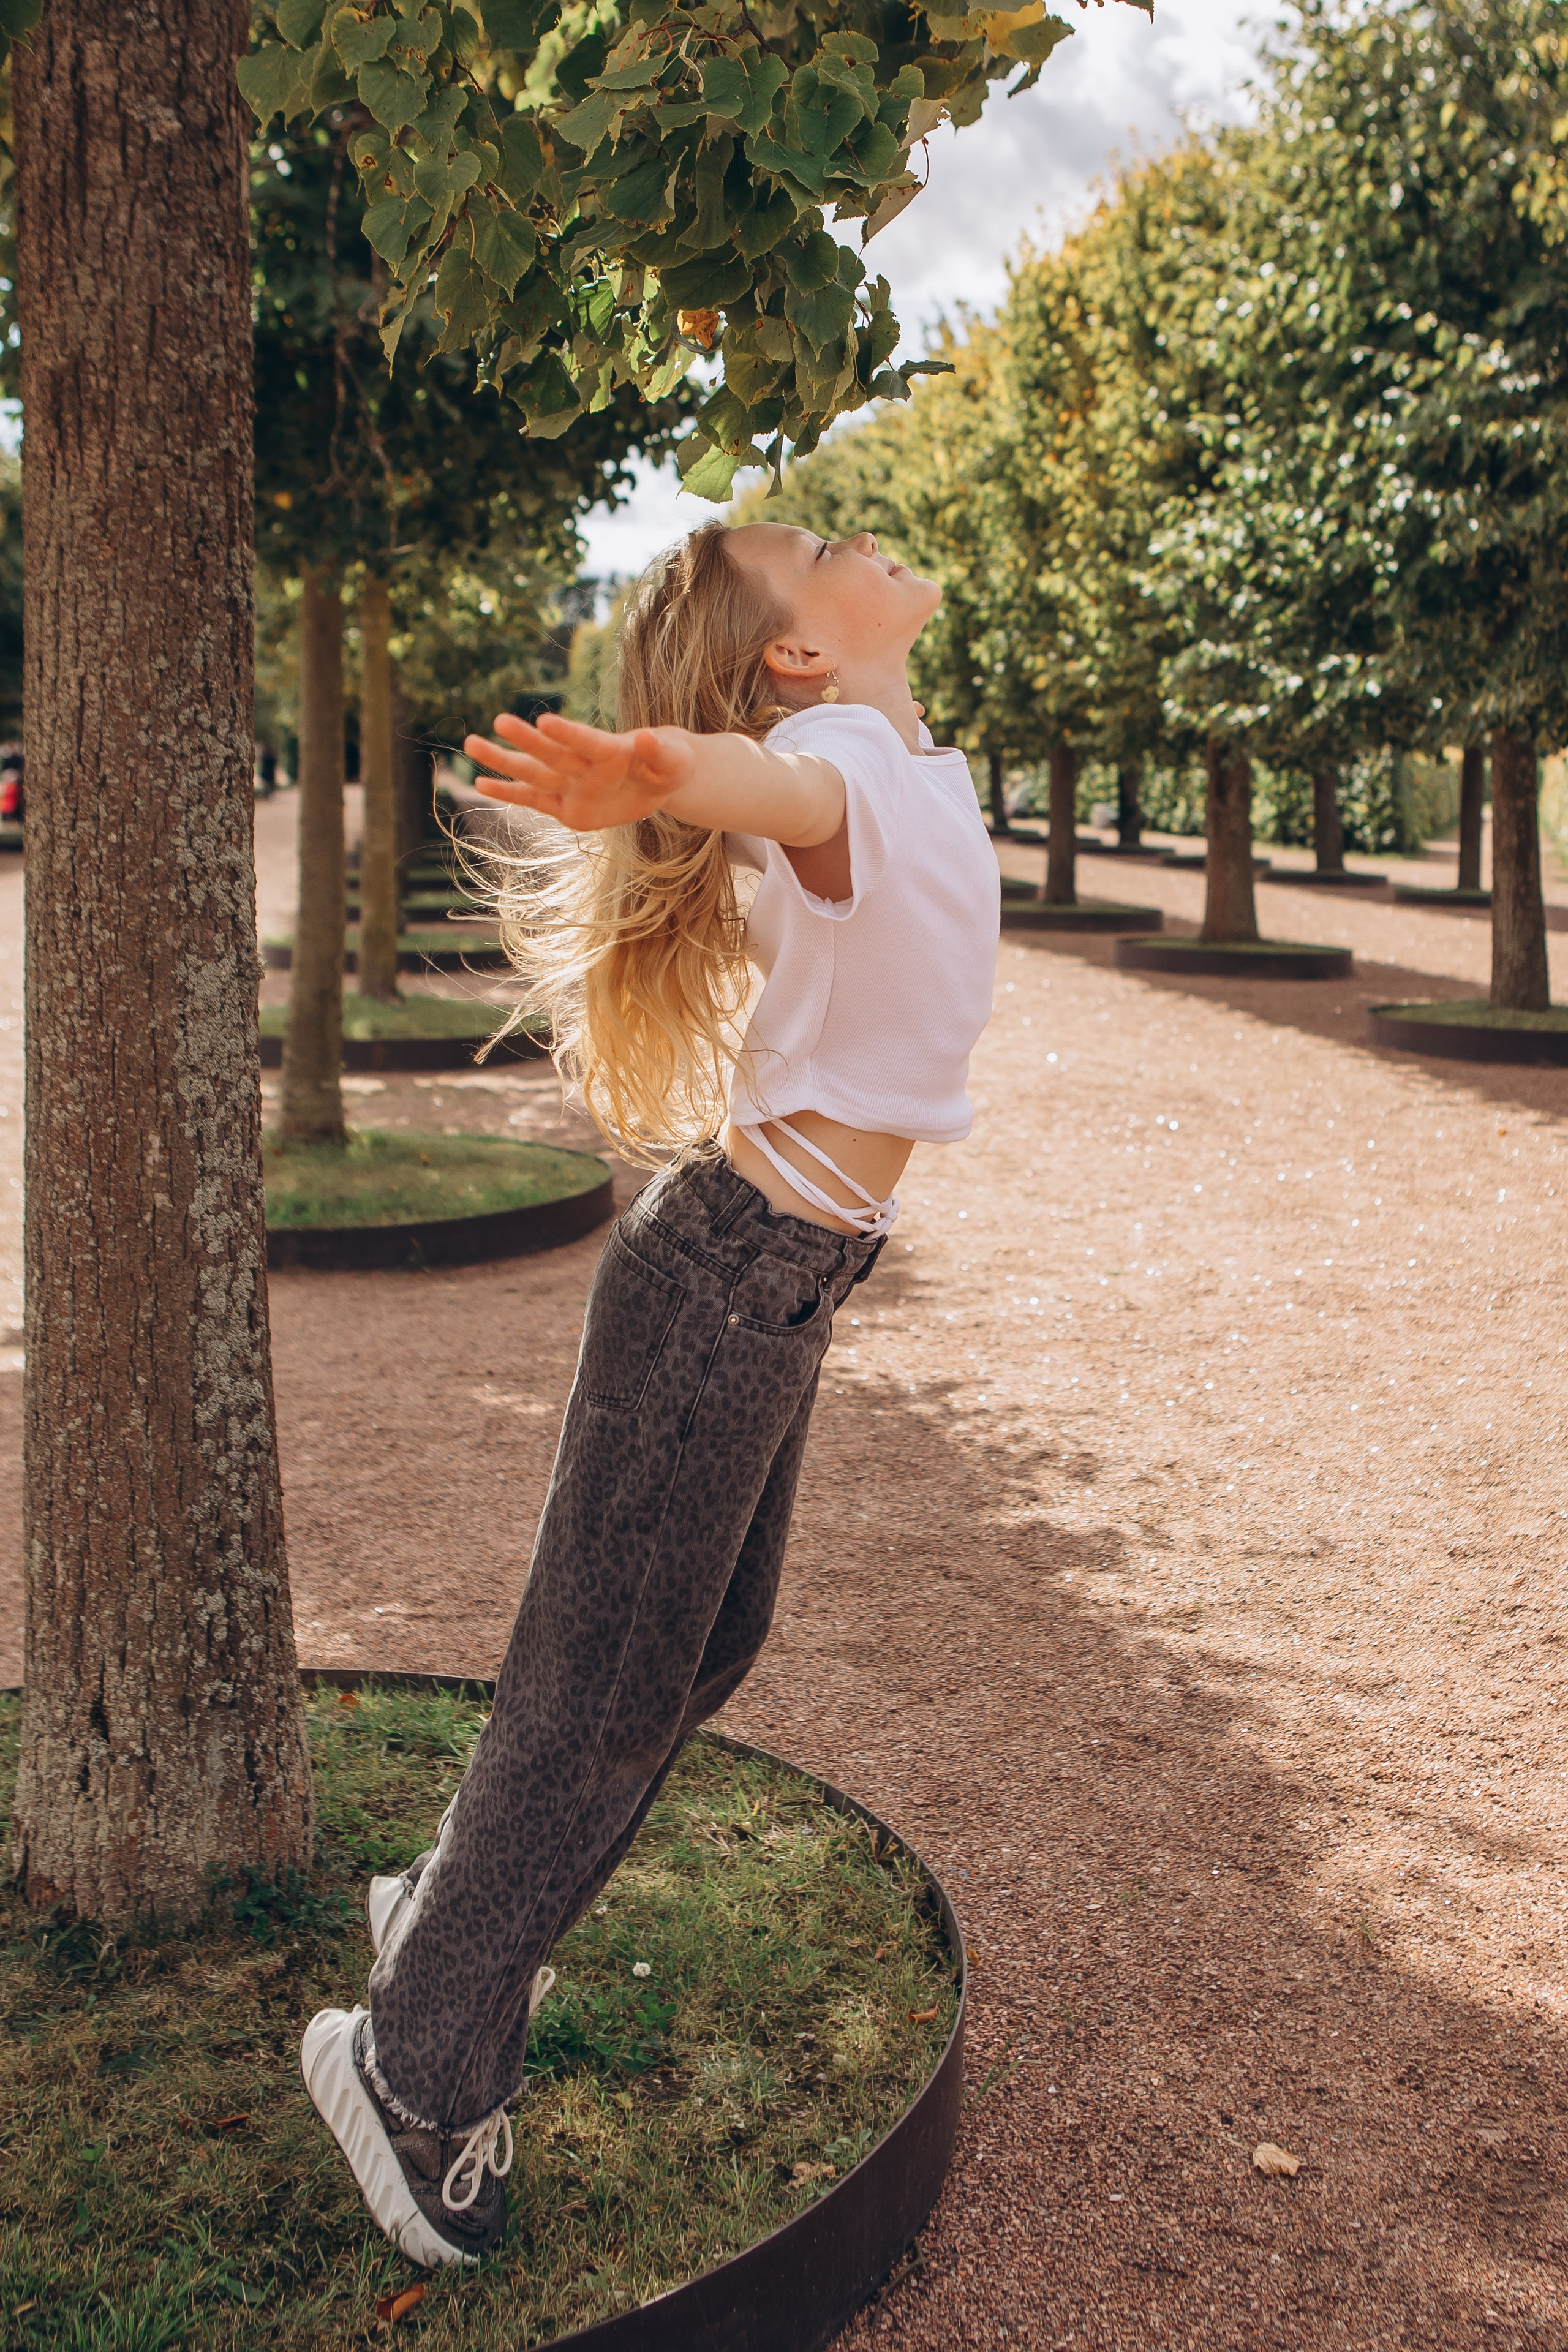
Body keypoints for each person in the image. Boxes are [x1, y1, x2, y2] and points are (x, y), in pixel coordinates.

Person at [298, 520, 1001, 2267]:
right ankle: (408, 2068)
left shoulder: (902, 757)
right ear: (798, 661)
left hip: (776, 1280)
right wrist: (655, 771)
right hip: (731, 1276)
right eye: (822, 542)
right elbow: (759, 788)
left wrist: (682, 768)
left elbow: (776, 791)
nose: (859, 529)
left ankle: (447, 1904)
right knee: (606, 1688)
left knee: (695, 1648)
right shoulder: (835, 766)